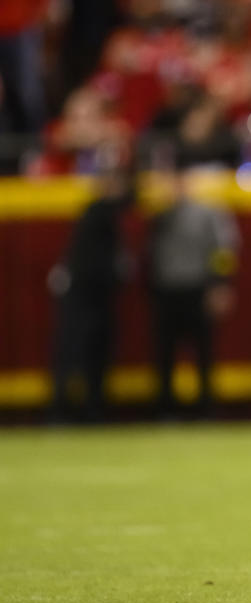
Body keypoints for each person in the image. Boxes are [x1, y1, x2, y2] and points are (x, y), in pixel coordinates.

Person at [147, 166, 238, 418]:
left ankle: (205, 407)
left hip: (198, 286)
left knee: (203, 352)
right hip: (166, 289)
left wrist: (220, 283)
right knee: (164, 353)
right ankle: (165, 408)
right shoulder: (159, 213)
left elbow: (223, 249)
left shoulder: (207, 211)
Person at [49, 164, 135, 423]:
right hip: (82, 294)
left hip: (97, 295)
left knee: (95, 353)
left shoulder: (107, 212)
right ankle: (64, 409)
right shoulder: (98, 211)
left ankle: (89, 408)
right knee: (75, 352)